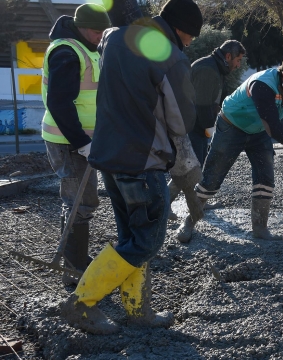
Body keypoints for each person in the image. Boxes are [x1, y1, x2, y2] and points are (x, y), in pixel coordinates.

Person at [60, 0, 202, 334]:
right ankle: (80, 303)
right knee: (146, 241)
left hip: (109, 156)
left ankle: (138, 311)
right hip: (143, 160)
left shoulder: (113, 39)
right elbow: (181, 122)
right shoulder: (169, 56)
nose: (191, 43)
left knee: (131, 237)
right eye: (192, 36)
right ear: (182, 29)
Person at [176, 50, 283, 243]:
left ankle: (260, 228)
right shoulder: (262, 85)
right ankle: (189, 221)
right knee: (211, 179)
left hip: (259, 131)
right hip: (232, 125)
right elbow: (274, 128)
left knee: (265, 178)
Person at [40, 4, 111, 285]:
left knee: (78, 202)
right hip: (67, 141)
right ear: (82, 27)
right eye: (97, 32)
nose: (100, 37)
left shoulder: (87, 49)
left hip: (79, 140)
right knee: (80, 202)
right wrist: (81, 142)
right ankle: (73, 270)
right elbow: (59, 102)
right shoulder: (66, 51)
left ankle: (75, 260)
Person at [168, 40, 246, 215]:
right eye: (238, 60)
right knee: (188, 169)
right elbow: (202, 107)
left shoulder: (213, 67)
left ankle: (195, 204)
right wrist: (211, 131)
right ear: (228, 56)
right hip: (192, 128)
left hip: (195, 127)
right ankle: (165, 205)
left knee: (193, 168)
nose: (238, 65)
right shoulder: (208, 69)